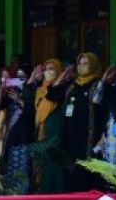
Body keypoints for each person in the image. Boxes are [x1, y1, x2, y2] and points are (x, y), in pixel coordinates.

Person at [44, 52, 108, 191]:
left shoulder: (98, 85)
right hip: (70, 139)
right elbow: (52, 94)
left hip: (89, 139)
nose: (81, 67)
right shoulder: (72, 85)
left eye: (85, 64)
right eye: (79, 64)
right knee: (71, 174)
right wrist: (63, 76)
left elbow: (103, 112)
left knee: (87, 175)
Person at [0, 62, 35, 194]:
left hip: (24, 139)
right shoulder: (13, 91)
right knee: (10, 172)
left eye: (23, 77)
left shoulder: (32, 91)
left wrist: (19, 100)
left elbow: (31, 111)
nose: (20, 80)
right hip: (11, 139)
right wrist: (2, 89)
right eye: (18, 77)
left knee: (23, 172)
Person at [31, 58, 67, 194]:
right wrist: (32, 78)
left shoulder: (62, 89)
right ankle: (44, 191)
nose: (48, 72)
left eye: (52, 69)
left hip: (55, 129)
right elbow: (29, 99)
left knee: (54, 163)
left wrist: (59, 80)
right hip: (42, 129)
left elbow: (52, 95)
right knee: (43, 163)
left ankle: (56, 192)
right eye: (46, 69)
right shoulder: (40, 89)